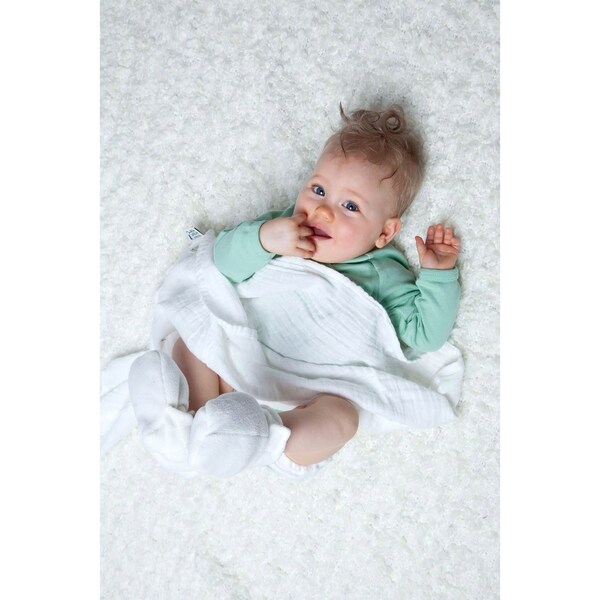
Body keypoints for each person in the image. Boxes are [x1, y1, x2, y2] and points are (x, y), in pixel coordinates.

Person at [129, 104, 461, 479]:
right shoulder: (282, 227)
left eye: (350, 206)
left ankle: (256, 440)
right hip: (232, 358)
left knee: (343, 418)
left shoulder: (383, 273)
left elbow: (425, 336)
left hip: (291, 405)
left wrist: (438, 275)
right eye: (318, 190)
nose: (323, 211)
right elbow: (222, 263)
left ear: (384, 232)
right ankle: (180, 425)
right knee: (195, 333)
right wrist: (263, 239)